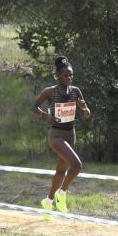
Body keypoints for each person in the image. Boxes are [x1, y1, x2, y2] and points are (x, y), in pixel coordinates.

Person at [32, 56, 91, 214]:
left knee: (60, 172)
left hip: (70, 134)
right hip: (56, 135)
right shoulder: (50, 92)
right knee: (77, 165)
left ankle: (48, 201)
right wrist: (46, 116)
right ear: (58, 76)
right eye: (66, 75)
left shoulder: (76, 91)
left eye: (71, 75)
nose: (69, 78)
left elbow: (87, 115)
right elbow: (34, 107)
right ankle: (61, 193)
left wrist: (84, 108)